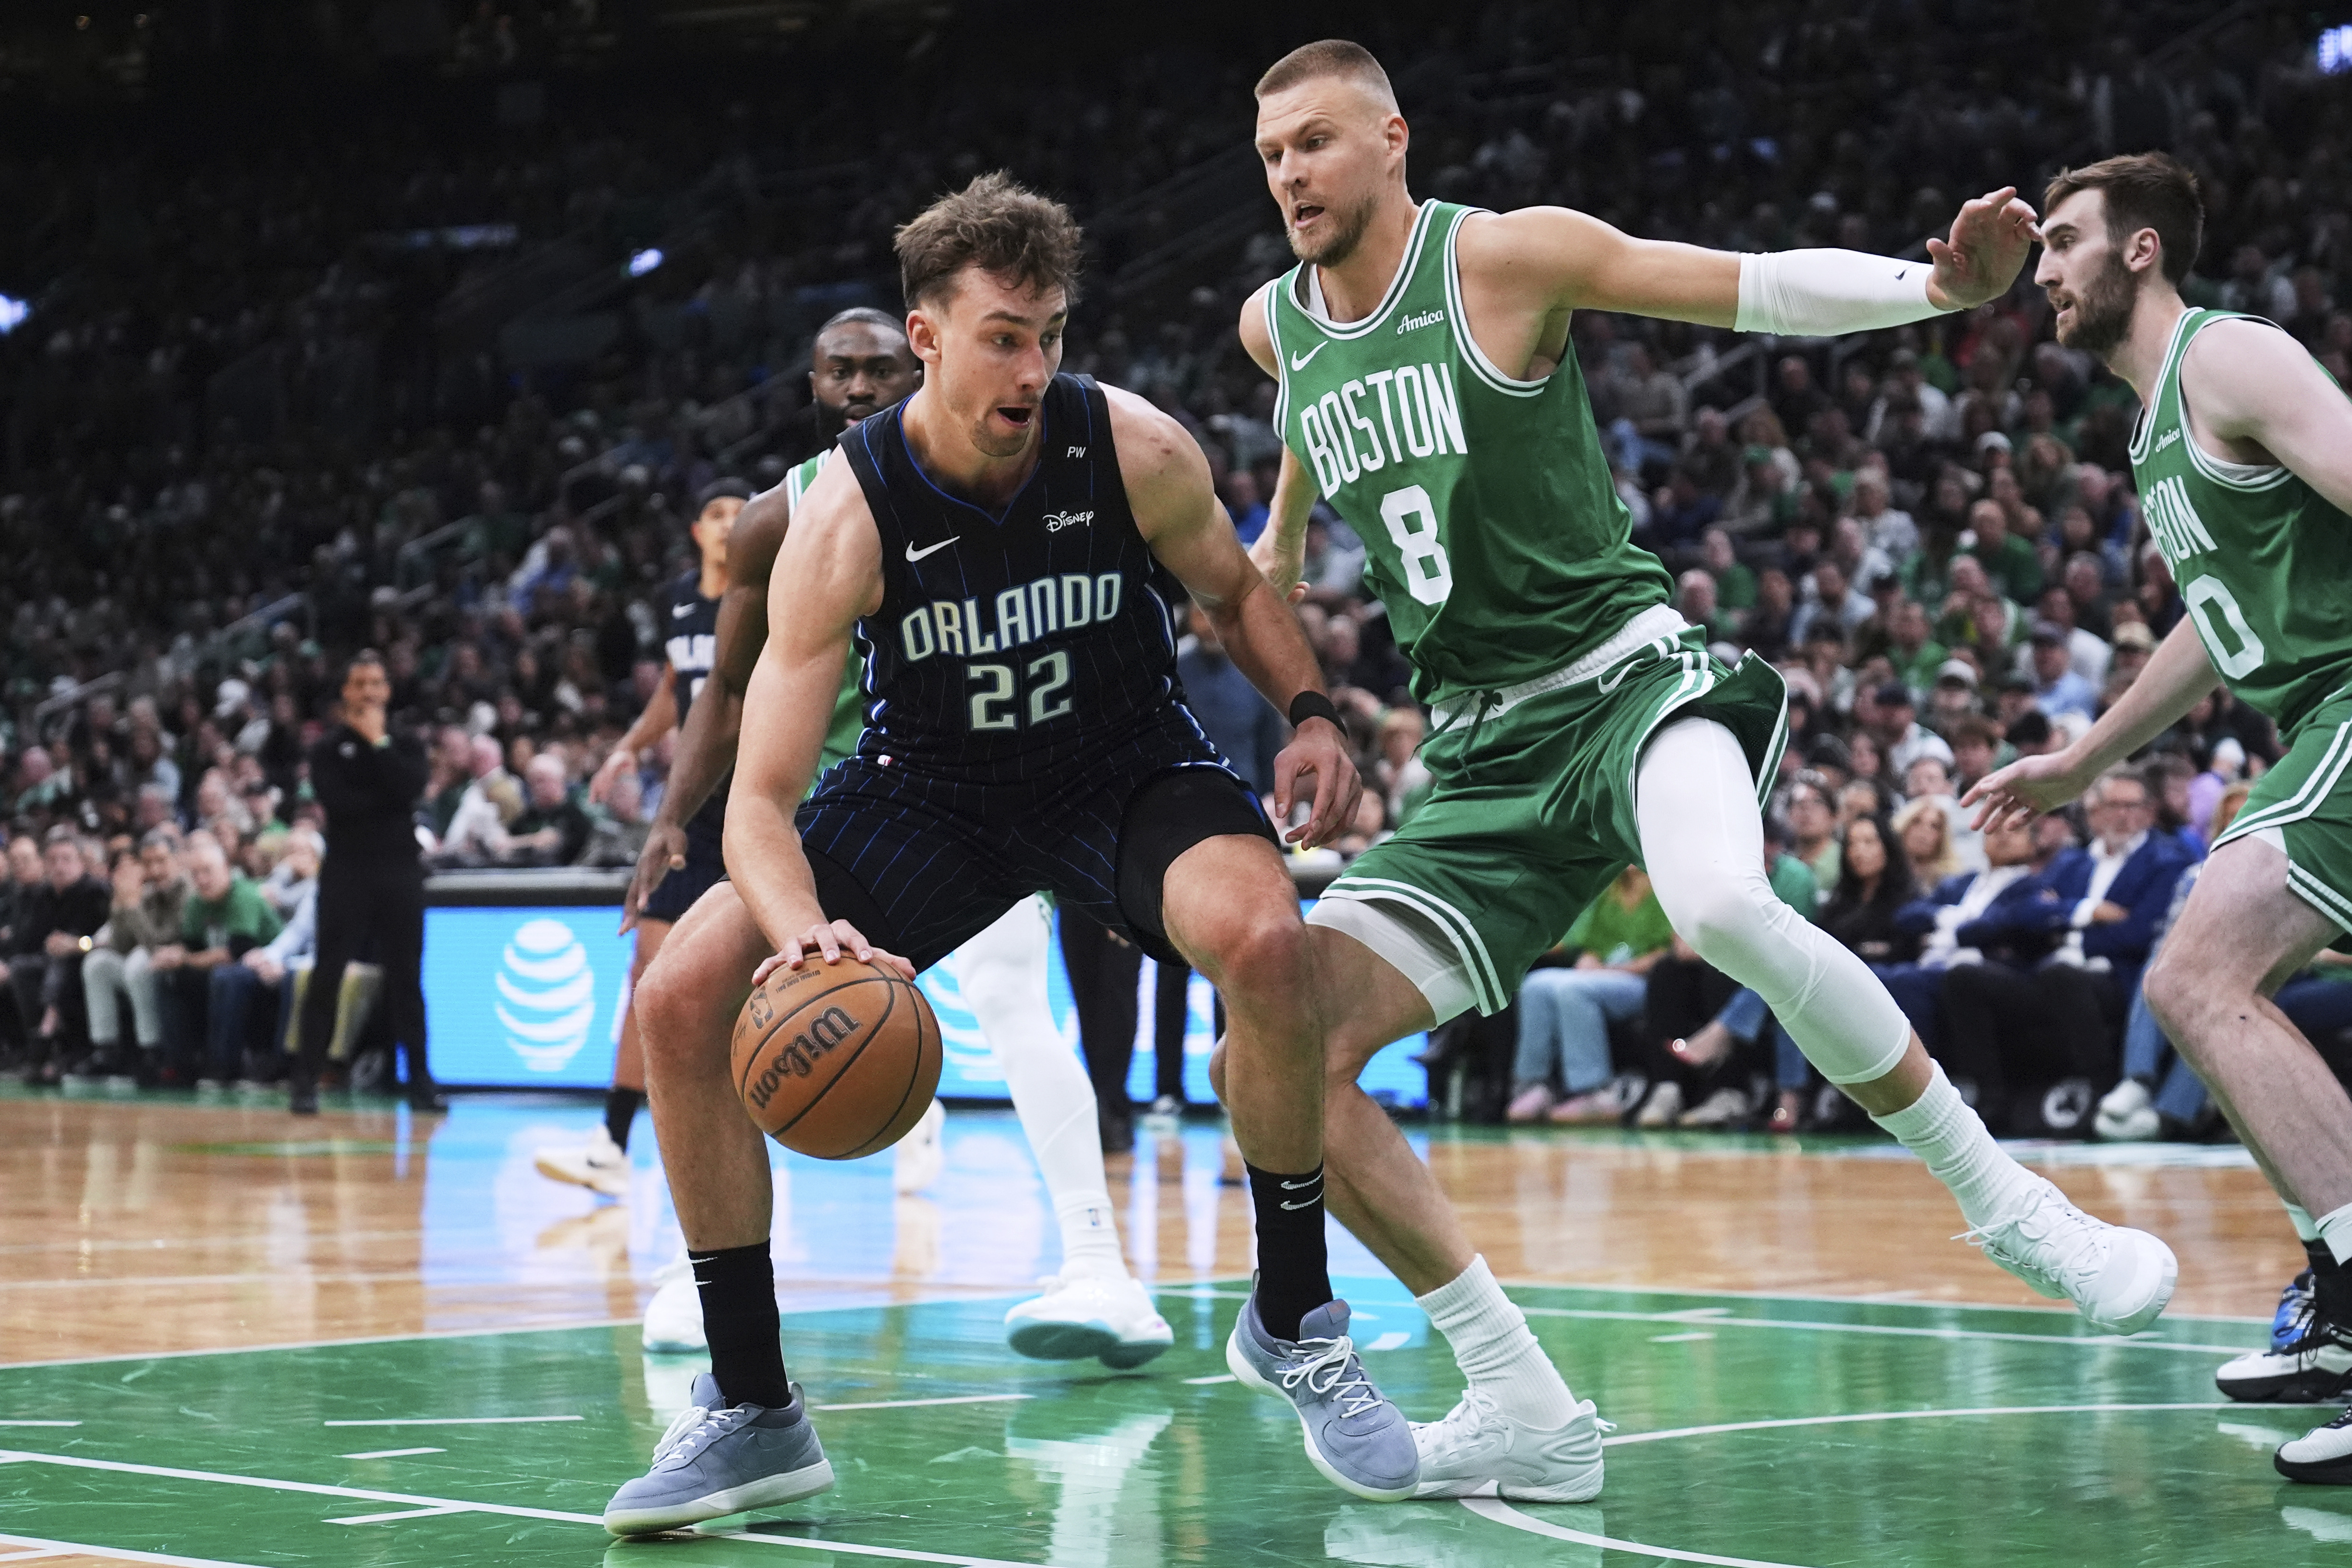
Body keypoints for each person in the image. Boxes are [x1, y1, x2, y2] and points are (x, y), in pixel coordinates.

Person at [1241, 39, 2174, 1504]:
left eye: (1315, 142)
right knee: (1279, 1047)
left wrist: (1936, 290)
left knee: (1724, 906)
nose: (1289, 172)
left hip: (1627, 678)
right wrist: (1283, 539)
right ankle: (1522, 1402)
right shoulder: (1267, 325)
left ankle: (2014, 1207)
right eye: (1271, 151)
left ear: (1391, 139)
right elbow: (1308, 406)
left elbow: (1745, 283)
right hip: (1482, 750)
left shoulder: (1507, 258)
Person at [601, 202, 1383, 1534]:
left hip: (1119, 761)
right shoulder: (842, 513)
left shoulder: (1128, 443)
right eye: (1002, 339)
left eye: (1051, 337)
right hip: (935, 790)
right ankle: (752, 1409)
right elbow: (761, 798)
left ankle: (1293, 1312)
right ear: (927, 339)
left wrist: (1314, 710)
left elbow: (1236, 592)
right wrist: (803, 935)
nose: (1031, 369)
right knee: (681, 997)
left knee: (1266, 939)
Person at [617, 311, 1170, 1369]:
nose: (866, 385)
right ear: (813, 385)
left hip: (949, 794)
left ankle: (1102, 1269)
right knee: (702, 1011)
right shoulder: (778, 521)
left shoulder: (987, 470)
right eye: (843, 370)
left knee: (1015, 1006)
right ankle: (703, 1278)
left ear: (920, 357)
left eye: (883, 366)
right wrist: (668, 822)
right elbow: (724, 690)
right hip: (812, 822)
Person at [1964, 152, 2352, 1482]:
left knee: (2198, 970)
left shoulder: (2231, 358)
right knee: (2200, 986)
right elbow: (2208, 620)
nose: (2045, 266)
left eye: (2064, 240)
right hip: (2314, 722)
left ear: (2137, 253)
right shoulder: (2153, 428)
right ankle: (2339, 1304)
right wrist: (2082, 761)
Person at [542, 479, 749, 1196]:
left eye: (739, 514)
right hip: (689, 810)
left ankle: (912, 1111)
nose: (729, 525)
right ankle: (612, 1142)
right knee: (648, 977)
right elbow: (675, 686)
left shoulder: (762, 593)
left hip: (756, 803)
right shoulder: (676, 601)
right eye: (717, 515)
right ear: (697, 531)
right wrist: (629, 746)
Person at [288, 653, 436, 1115]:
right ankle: (306, 1080)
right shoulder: (326, 748)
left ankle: (420, 1084)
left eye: (377, 682)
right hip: (347, 872)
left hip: (399, 871)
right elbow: (340, 802)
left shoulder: (407, 743)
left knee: (408, 978)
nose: (369, 691)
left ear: (387, 691)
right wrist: (384, 789)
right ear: (347, 692)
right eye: (360, 683)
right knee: (327, 973)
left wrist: (378, 744)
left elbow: (411, 787)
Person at [1508, 867, 1670, 1125]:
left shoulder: (1668, 891)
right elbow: (1591, 946)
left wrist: (1609, 971)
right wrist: (1589, 962)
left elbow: (1665, 956)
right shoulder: (1610, 889)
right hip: (1603, 976)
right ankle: (1534, 1084)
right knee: (1536, 985)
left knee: (1575, 990)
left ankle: (1595, 1090)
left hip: (1643, 982)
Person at [155, 831, 283, 1089]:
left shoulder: (244, 895)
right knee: (166, 977)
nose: (202, 880)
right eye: (196, 874)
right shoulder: (196, 903)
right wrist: (174, 954)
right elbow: (192, 946)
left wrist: (186, 958)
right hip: (225, 971)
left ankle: (225, 1067)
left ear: (226, 868)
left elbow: (236, 952)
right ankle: (179, 1064)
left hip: (268, 968)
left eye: (208, 871)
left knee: (225, 977)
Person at [79, 829, 188, 1079]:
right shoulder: (148, 891)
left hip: (181, 963)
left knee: (139, 962)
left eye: (161, 861)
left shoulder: (186, 890)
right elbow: (120, 944)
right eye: (148, 863)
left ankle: (152, 1051)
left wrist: (132, 907)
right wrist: (120, 903)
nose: (155, 870)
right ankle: (106, 1049)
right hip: (151, 962)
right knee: (98, 963)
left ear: (177, 860)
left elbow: (161, 944)